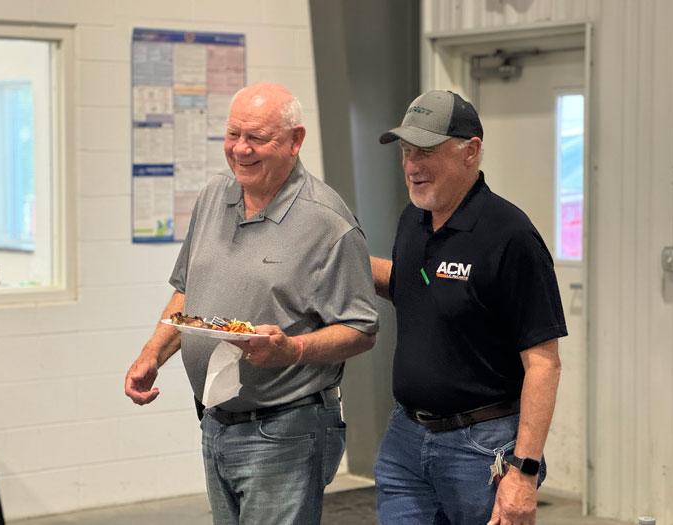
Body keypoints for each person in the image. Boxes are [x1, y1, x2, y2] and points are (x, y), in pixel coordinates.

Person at [125, 83, 379, 525]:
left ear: (295, 141)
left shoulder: (327, 222)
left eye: (257, 138)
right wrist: (153, 353)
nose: (240, 149)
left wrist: (292, 350)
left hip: (286, 430)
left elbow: (361, 330)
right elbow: (186, 290)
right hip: (215, 422)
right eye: (233, 134)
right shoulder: (214, 195)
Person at [370, 89, 567, 525]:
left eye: (425, 151)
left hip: (481, 448)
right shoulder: (413, 220)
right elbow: (417, 287)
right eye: (406, 151)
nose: (412, 166)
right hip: (406, 440)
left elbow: (544, 364)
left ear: (471, 151)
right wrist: (343, 259)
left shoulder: (510, 235)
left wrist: (524, 471)